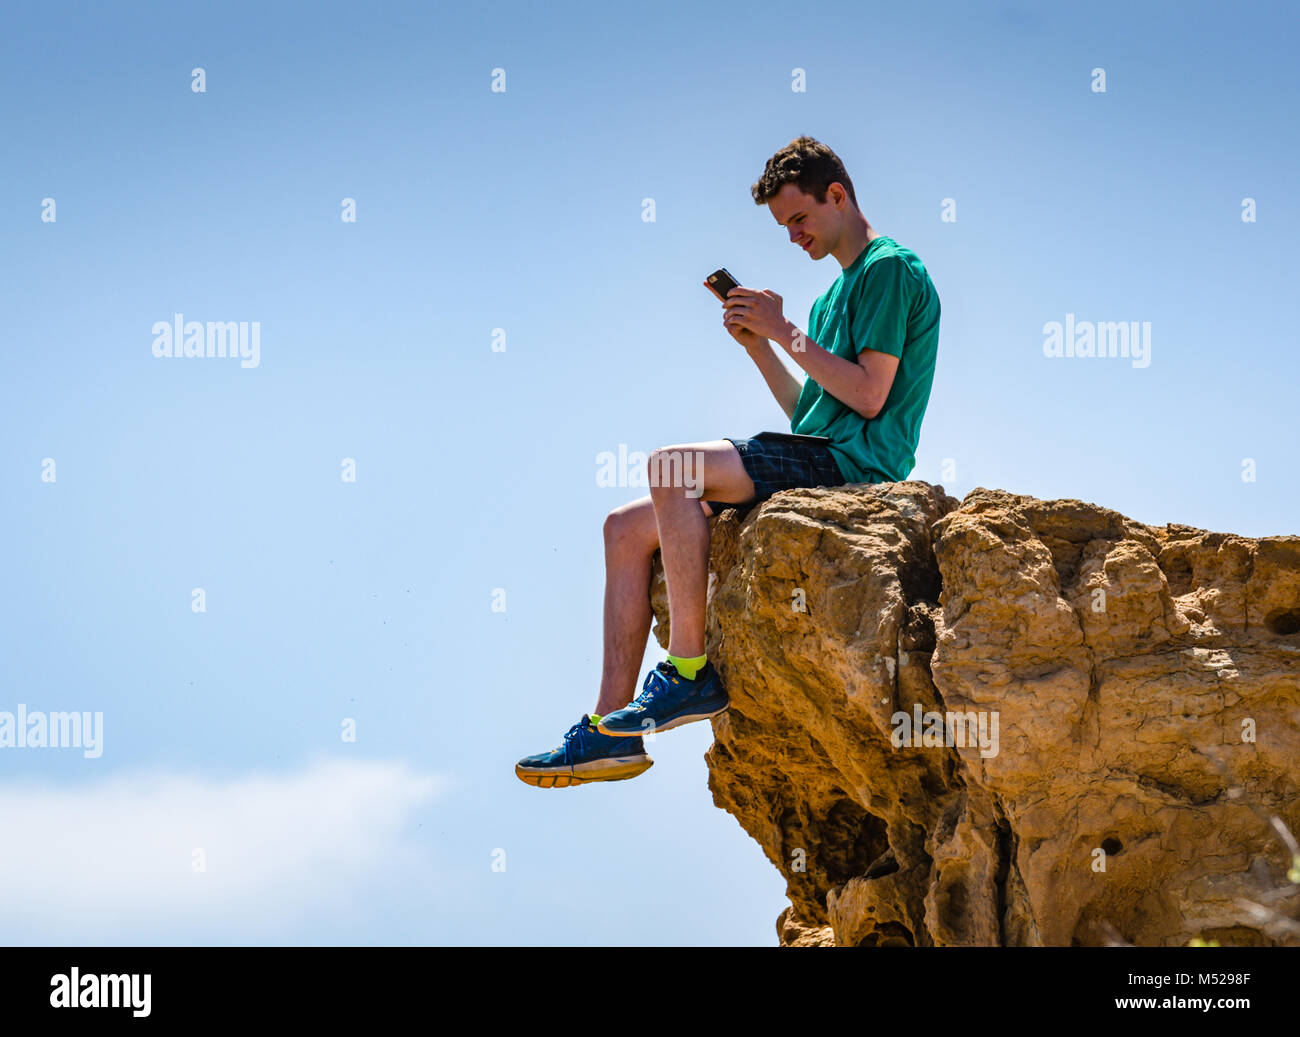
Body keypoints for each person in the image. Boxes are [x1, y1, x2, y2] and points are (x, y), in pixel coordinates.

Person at [515, 135, 941, 788]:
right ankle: (608, 734)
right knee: (622, 529)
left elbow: (869, 394)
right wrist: (760, 347)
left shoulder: (888, 268)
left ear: (838, 195)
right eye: (783, 226)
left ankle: (690, 672)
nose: (793, 235)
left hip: (858, 471)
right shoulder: (833, 297)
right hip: (819, 453)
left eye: (799, 217)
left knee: (670, 467)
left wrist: (783, 330)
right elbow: (813, 416)